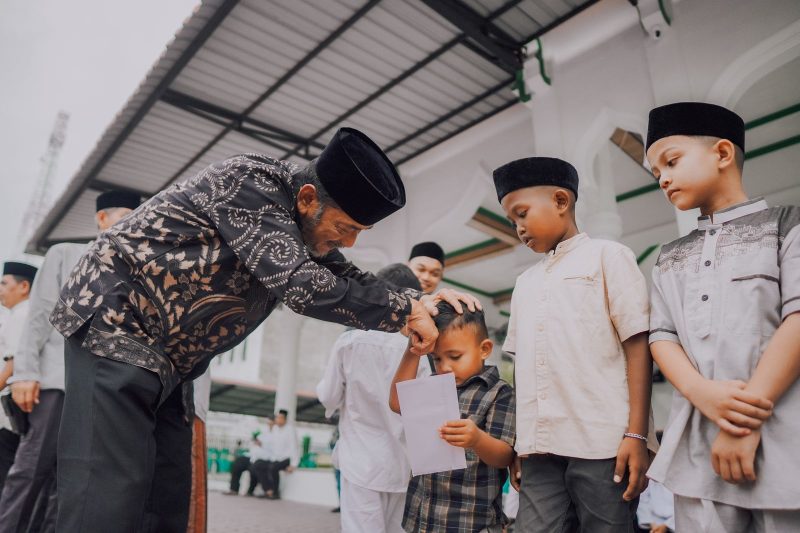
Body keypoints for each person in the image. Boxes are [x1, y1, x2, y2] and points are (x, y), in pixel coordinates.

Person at [49, 127, 479, 532]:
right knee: (107, 491)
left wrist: (420, 303)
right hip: (117, 324)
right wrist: (404, 310)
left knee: (166, 494)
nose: (349, 243)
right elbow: (301, 285)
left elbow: (346, 275)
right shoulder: (250, 182)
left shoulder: (301, 229)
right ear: (308, 199)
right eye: (346, 228)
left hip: (170, 364)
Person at [645, 102, 800, 532]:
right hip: (699, 450)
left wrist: (741, 423)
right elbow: (661, 337)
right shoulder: (668, 257)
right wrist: (703, 393)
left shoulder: (787, 225)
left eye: (671, 161)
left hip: (784, 439)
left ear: (723, 153)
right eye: (656, 172)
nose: (662, 178)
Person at [494, 157, 658, 532]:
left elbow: (638, 347)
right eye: (512, 221)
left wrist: (637, 435)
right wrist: (520, 443)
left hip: (604, 444)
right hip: (539, 449)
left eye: (522, 213)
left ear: (560, 201)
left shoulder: (608, 256)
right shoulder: (524, 283)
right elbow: (522, 369)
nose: (519, 228)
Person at [0, 190, 140, 533]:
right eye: (125, 216)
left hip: (99, 390)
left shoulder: (134, 272)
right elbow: (39, 315)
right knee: (30, 470)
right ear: (101, 218)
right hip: (55, 382)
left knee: (71, 480)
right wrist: (26, 373)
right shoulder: (65, 254)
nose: (133, 225)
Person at [317, 263, 425, 533]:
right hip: (404, 466)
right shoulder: (421, 350)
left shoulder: (350, 341)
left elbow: (328, 397)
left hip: (360, 461)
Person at [390, 302, 515, 533]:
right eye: (437, 359)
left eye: (455, 356)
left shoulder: (499, 392)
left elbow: (505, 456)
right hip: (423, 518)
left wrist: (477, 439)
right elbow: (398, 403)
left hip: (469, 522)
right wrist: (413, 348)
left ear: (485, 349)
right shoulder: (433, 385)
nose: (445, 367)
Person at [0, 262, 37, 495]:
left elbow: (12, 366)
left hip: (10, 415)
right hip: (13, 414)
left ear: (24, 286)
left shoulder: (22, 314)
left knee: (6, 473)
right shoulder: (21, 314)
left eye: (4, 283)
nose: (0, 289)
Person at [253, 409, 298, 500]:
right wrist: (261, 444)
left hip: (286, 458)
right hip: (275, 458)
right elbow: (272, 445)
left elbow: (294, 447)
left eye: (280, 418)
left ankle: (275, 493)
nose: (277, 419)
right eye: (277, 418)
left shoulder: (290, 430)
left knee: (273, 468)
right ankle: (268, 490)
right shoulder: (275, 429)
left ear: (284, 419)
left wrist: (293, 464)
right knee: (258, 464)